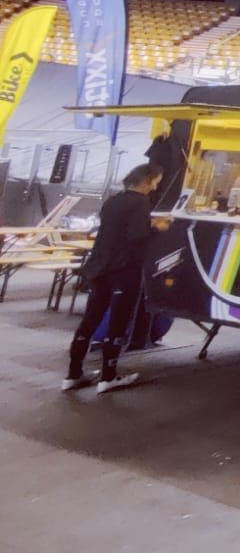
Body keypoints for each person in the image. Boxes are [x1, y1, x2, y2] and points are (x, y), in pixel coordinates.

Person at [63, 164, 171, 393]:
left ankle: (73, 374)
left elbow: (118, 229)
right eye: (155, 182)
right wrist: (157, 228)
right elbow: (136, 236)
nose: (155, 188)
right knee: (118, 322)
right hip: (123, 270)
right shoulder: (140, 202)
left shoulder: (113, 200)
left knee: (90, 319)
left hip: (99, 266)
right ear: (147, 180)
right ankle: (108, 376)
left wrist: (144, 225)